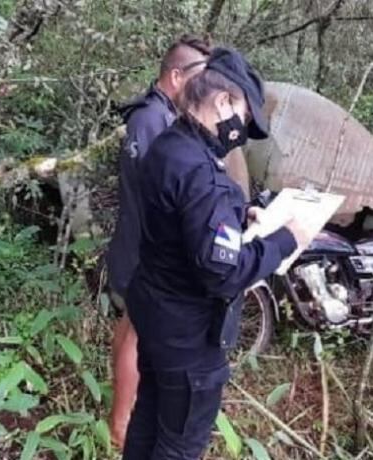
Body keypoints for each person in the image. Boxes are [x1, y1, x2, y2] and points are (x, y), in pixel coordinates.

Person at [122, 47, 312, 459]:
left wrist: (239, 212)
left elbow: (183, 214)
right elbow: (222, 271)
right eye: (244, 118)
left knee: (148, 417)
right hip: (187, 336)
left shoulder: (172, 143)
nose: (242, 130)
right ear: (223, 101)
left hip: (156, 313)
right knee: (178, 445)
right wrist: (287, 239)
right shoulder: (199, 169)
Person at [106, 34, 212, 449]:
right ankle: (121, 423)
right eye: (199, 79)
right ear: (175, 75)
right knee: (136, 334)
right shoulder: (152, 120)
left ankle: (121, 414)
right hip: (140, 249)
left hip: (134, 244)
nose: (205, 90)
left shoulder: (153, 115)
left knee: (129, 328)